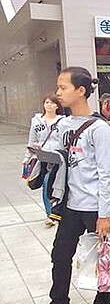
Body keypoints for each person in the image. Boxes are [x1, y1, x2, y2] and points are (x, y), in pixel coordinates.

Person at [23, 66, 110, 304]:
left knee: (102, 259)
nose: (58, 93)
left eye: (62, 88)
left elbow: (106, 175)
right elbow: (55, 158)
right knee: (61, 254)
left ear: (81, 91)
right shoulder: (62, 125)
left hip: (94, 208)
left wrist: (105, 214)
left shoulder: (100, 129)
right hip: (70, 205)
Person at [23, 94, 65, 226]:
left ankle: (57, 212)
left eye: (52, 103)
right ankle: (50, 215)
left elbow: (65, 140)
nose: (49, 105)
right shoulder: (36, 121)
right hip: (43, 158)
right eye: (47, 102)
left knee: (57, 184)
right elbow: (32, 140)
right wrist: (27, 158)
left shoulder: (63, 121)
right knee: (46, 183)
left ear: (57, 106)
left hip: (59, 158)